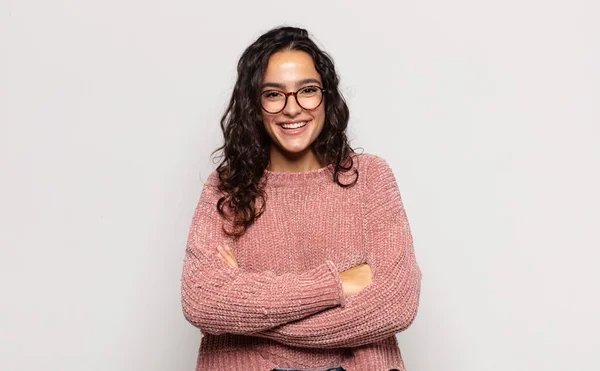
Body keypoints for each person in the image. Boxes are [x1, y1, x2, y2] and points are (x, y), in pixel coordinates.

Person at [180, 26, 422, 371]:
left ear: (326, 97)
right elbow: (203, 300)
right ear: (255, 104)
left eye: (307, 91)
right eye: (274, 94)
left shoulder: (370, 179)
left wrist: (251, 313)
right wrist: (336, 284)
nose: (292, 108)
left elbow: (395, 303)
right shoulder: (226, 187)